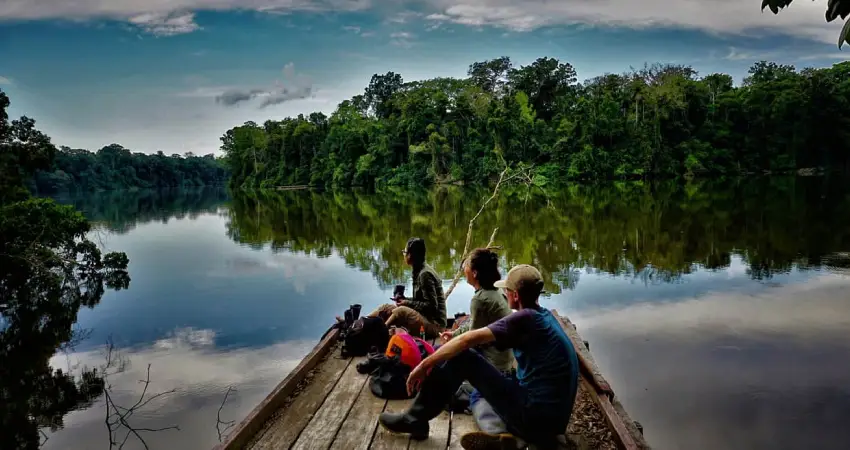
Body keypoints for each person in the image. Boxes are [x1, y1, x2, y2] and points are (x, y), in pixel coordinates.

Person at [378, 264, 579, 450]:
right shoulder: (545, 317)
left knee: (464, 358)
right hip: (552, 423)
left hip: (534, 421)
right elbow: (572, 351)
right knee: (476, 389)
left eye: (506, 290)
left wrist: (424, 365)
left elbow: (466, 341)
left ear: (515, 295)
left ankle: (415, 419)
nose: (504, 293)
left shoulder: (524, 319)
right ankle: (504, 435)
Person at [439, 249, 516, 445]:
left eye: (466, 266)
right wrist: (453, 334)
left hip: (495, 368)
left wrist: (447, 349)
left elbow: (471, 339)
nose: (463, 269)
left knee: (469, 396)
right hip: (506, 364)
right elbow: (473, 324)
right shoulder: (495, 292)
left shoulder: (480, 299)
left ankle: (496, 434)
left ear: (474, 273)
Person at [367, 237, 446, 339]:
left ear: (410, 255)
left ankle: (377, 336)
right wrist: (404, 300)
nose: (404, 255)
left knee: (400, 311)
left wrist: (406, 303)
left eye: (405, 252)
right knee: (385, 308)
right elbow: (420, 301)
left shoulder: (425, 274)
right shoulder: (418, 270)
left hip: (435, 326)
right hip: (424, 317)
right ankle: (361, 323)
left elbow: (431, 307)